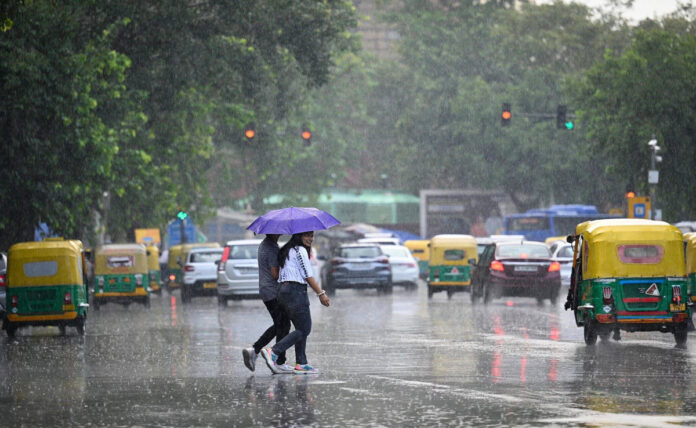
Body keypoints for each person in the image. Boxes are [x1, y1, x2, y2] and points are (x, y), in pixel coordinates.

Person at [261, 231, 330, 375]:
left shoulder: (287, 250)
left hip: (283, 291)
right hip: (294, 291)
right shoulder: (300, 251)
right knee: (305, 329)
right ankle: (273, 351)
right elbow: (307, 275)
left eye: (311, 236)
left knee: (300, 327)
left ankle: (302, 363)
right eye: (307, 235)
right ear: (298, 236)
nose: (310, 239)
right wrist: (321, 293)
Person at [242, 234, 293, 373]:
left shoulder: (267, 245)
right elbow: (275, 274)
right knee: (284, 324)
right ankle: (278, 360)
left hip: (267, 290)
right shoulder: (270, 247)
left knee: (280, 324)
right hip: (272, 291)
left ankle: (257, 350)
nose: (281, 232)